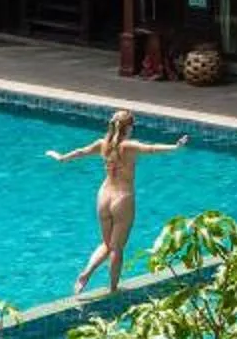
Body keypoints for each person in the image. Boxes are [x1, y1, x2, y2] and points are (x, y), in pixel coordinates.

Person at [47, 108, 190, 295]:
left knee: (106, 244)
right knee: (117, 249)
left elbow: (81, 152)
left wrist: (62, 158)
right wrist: (176, 147)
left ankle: (85, 274)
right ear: (128, 127)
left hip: (104, 196)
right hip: (122, 197)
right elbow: (152, 148)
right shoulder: (128, 146)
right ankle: (113, 290)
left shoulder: (102, 144)